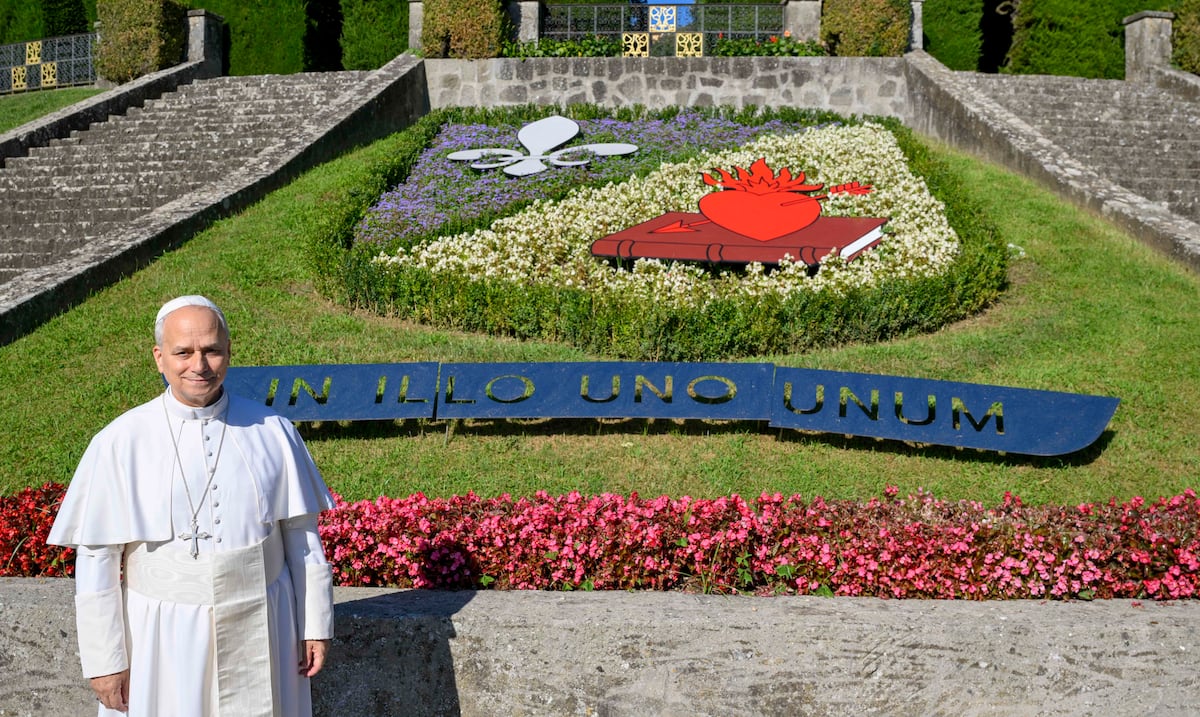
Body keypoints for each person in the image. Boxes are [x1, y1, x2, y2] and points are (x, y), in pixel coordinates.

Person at [48, 295, 336, 717]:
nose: (199, 365)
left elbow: (301, 537)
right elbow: (98, 558)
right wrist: (105, 661)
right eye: (183, 352)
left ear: (228, 352)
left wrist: (315, 624)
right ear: (159, 357)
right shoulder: (120, 440)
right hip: (160, 633)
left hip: (264, 621)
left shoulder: (273, 430)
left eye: (211, 350)